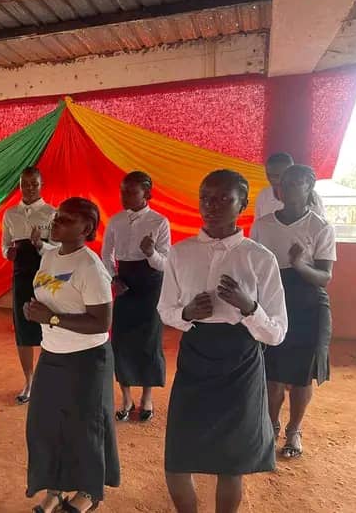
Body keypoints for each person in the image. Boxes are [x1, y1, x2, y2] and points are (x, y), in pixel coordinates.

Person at [158, 170, 288, 513]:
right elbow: (165, 310)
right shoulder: (179, 253)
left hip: (240, 362)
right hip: (195, 359)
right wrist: (186, 313)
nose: (211, 206)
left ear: (242, 205)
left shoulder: (260, 258)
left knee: (231, 463)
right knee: (177, 458)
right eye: (205, 198)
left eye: (223, 199)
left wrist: (249, 308)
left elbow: (276, 333)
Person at [24, 197, 119, 513]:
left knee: (84, 428)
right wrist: (34, 311)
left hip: (86, 360)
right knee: (48, 425)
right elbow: (50, 297)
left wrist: (50, 317)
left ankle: (89, 492)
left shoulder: (90, 267)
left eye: (66, 219)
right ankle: (56, 488)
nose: (56, 222)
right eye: (57, 217)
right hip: (52, 354)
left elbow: (101, 323)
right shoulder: (50, 256)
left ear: (86, 228)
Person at [251, 164, 335, 459]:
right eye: (283, 182)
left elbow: (324, 277)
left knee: (301, 377)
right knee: (272, 374)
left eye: (294, 182)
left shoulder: (320, 227)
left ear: (309, 187)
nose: (286, 187)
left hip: (309, 305)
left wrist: (299, 264)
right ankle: (271, 426)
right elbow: (252, 268)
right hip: (273, 303)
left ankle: (293, 431)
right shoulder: (263, 225)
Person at [101, 171, 170, 423]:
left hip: (150, 284)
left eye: (131, 192)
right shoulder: (116, 221)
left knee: (148, 340)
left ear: (147, 194)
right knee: (121, 340)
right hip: (124, 283)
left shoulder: (159, 222)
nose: (125, 196)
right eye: (123, 191)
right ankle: (126, 397)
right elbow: (106, 254)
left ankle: (146, 398)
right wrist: (113, 278)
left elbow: (165, 263)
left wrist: (151, 253)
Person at [1, 167, 56, 405]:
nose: (30, 188)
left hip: (46, 277)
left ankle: (47, 379)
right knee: (23, 329)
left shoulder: (52, 213)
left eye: (34, 184)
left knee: (48, 327)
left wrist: (40, 245)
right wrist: (8, 253)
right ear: (20, 185)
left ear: (42, 185)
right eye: (25, 184)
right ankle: (29, 380)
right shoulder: (10, 214)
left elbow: (58, 249)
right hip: (21, 276)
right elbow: (4, 245)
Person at [255, 153, 326, 220]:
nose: (274, 180)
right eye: (269, 175)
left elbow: (320, 226)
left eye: (280, 175)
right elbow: (258, 224)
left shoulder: (311, 197)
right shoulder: (263, 195)